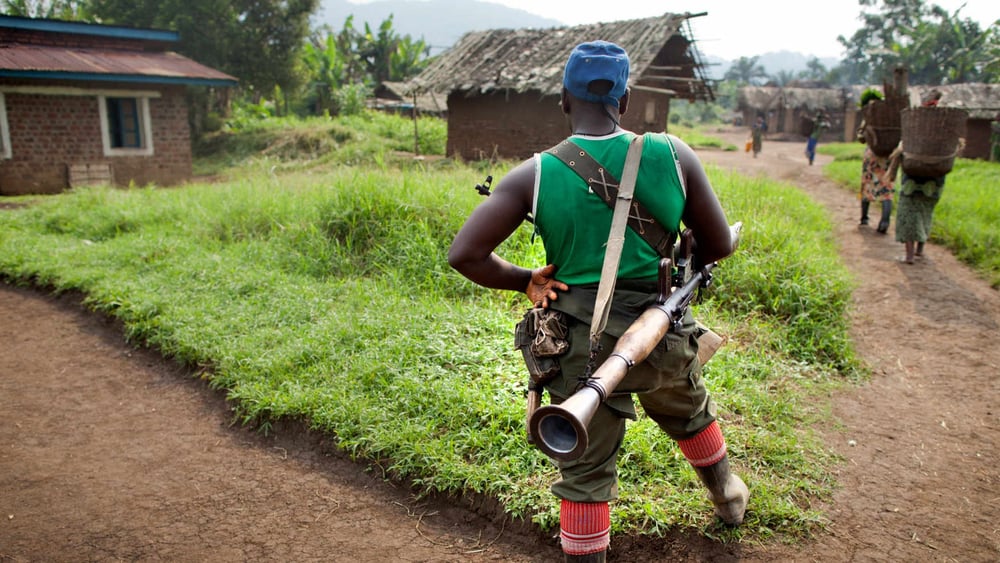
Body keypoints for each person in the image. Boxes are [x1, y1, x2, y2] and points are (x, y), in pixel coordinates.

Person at [448, 40, 747, 562]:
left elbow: (465, 255)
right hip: (662, 337)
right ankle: (727, 497)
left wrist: (525, 280)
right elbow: (719, 245)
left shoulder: (534, 173)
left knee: (584, 474)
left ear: (564, 99)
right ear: (625, 101)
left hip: (578, 349)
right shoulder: (674, 154)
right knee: (691, 411)